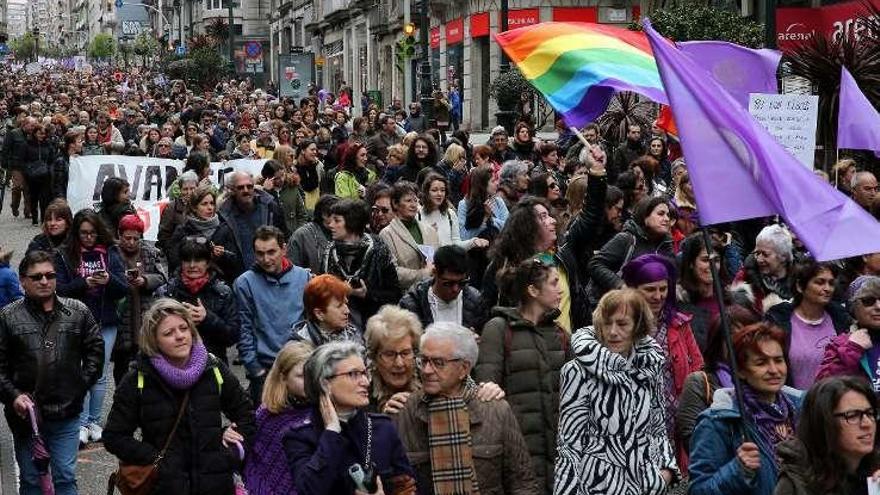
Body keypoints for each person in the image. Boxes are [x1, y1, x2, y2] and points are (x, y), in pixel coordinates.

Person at [103, 298, 256, 495]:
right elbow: (114, 436)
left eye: (184, 328)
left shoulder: (213, 368)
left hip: (215, 484)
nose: (180, 336)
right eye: (168, 333)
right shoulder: (138, 378)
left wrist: (231, 451)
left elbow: (247, 414)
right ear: (154, 340)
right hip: (166, 487)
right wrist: (155, 458)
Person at [554, 289, 678, 495]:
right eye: (606, 323)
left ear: (637, 327)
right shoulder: (577, 371)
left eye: (622, 324)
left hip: (646, 486)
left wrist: (664, 473)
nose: (612, 332)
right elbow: (569, 444)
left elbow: (658, 426)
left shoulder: (649, 366)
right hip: (598, 487)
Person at [0, 250, 103, 495]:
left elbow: (95, 352)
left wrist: (81, 385)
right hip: (26, 418)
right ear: (23, 280)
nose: (44, 281)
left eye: (49, 275)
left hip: (67, 412)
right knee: (31, 479)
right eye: (37, 277)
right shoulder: (7, 317)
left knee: (65, 476)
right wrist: (14, 396)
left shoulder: (78, 311)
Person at [395, 322, 539, 495]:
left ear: (463, 368)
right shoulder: (404, 412)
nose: (426, 370)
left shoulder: (496, 410)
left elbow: (522, 483)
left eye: (438, 363)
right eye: (423, 360)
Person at [475, 258, 571, 494]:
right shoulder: (498, 329)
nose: (559, 289)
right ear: (532, 290)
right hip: (517, 450)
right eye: (553, 283)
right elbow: (487, 391)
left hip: (558, 452)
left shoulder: (560, 334)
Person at [282, 341, 418, 495]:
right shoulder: (300, 437)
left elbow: (407, 487)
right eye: (353, 374)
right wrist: (332, 432)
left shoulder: (382, 427)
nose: (365, 382)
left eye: (364, 373)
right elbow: (309, 490)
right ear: (325, 383)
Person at [688, 322, 803, 495]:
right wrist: (737, 470)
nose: (774, 370)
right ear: (741, 371)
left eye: (778, 360)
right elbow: (699, 490)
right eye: (761, 362)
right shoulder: (718, 422)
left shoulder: (801, 410)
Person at [620, 253, 704, 469]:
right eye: (650, 289)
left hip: (680, 423)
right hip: (640, 427)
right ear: (633, 290)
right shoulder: (620, 329)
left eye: (663, 289)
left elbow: (698, 368)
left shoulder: (679, 324)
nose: (658, 296)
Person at [54, 209, 128, 445]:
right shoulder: (65, 255)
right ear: (76, 233)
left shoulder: (111, 252)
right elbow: (60, 290)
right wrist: (83, 283)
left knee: (100, 373)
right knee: (80, 371)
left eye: (93, 233)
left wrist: (108, 280)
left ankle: (94, 420)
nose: (88, 238)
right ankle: (81, 421)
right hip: (75, 321)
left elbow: (123, 288)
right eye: (84, 233)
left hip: (105, 320)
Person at [676, 305, 762, 462]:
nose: (742, 345)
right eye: (734, 338)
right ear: (718, 343)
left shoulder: (763, 378)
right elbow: (692, 441)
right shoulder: (700, 383)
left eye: (748, 337)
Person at [236, 226, 311, 404]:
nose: (266, 259)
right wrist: (254, 368)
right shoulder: (245, 283)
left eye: (271, 252)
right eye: (260, 253)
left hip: (299, 364)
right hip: (265, 368)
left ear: (283, 249)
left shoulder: (304, 278)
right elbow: (243, 327)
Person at [775, 376, 880, 495]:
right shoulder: (796, 483)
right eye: (852, 415)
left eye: (870, 413)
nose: (867, 423)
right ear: (824, 422)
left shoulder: (875, 473)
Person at [764, 260, 851, 389]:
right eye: (820, 282)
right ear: (800, 286)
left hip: (833, 402)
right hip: (794, 402)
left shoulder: (840, 319)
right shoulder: (778, 320)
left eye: (831, 283)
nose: (827, 288)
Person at [243, 341, 314, 495]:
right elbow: (257, 461)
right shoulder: (266, 415)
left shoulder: (324, 413)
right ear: (283, 378)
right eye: (301, 376)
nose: (309, 381)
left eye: (312, 374)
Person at [157, 237, 240, 364]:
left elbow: (232, 336)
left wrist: (208, 318)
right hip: (173, 366)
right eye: (187, 260)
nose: (192, 265)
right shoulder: (166, 292)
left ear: (207, 262)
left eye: (198, 260)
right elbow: (152, 335)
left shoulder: (223, 292)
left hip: (213, 366)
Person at [322, 199, 401, 327]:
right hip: (338, 326)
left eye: (337, 220)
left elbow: (394, 293)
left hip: (373, 324)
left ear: (351, 223)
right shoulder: (329, 252)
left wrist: (367, 294)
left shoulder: (378, 250)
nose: (330, 225)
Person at [113, 214, 168, 384]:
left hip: (145, 314)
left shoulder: (150, 253)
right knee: (121, 369)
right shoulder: (112, 254)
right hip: (122, 317)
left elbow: (161, 276)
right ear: (119, 235)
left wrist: (144, 280)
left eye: (135, 239)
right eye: (127, 238)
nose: (131, 242)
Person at [588, 196, 674, 301]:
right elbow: (595, 264)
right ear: (645, 216)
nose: (666, 219)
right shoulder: (626, 239)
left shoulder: (667, 245)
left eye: (668, 215)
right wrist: (621, 286)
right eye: (660, 214)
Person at [399, 245, 486, 331]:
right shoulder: (412, 304)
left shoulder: (475, 300)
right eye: (448, 283)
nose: (456, 289)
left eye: (462, 283)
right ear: (435, 273)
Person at [168, 185, 243, 285]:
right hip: (189, 286)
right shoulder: (183, 230)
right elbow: (174, 261)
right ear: (194, 207)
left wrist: (223, 254)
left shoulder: (224, 228)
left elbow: (236, 262)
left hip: (218, 285)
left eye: (212, 203)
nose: (209, 208)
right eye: (204, 204)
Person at [816, 276, 880, 388]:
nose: (878, 306)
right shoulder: (840, 345)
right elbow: (824, 388)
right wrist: (852, 350)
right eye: (868, 301)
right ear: (853, 307)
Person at [219, 172, 289, 270]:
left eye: (249, 186)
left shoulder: (270, 208)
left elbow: (284, 237)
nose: (246, 190)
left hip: (270, 270)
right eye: (240, 187)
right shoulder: (224, 215)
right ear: (232, 190)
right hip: (240, 275)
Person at [379, 181, 441, 291]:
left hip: (432, 292)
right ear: (395, 203)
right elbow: (392, 271)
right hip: (406, 295)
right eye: (408, 201)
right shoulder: (387, 234)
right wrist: (423, 273)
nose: (413, 205)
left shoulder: (430, 230)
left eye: (415, 201)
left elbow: (440, 258)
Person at [734, 224, 796, 314]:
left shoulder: (802, 278)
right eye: (757, 253)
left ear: (783, 256)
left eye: (765, 254)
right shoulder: (745, 277)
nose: (759, 259)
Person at [289, 274, 363, 347]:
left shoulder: (354, 336)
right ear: (319, 314)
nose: (347, 311)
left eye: (346, 303)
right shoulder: (300, 348)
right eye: (339, 306)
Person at [420, 172, 488, 250]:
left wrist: (473, 242)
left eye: (442, 190)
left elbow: (456, 243)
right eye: (434, 190)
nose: (439, 194)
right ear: (427, 192)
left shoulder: (450, 214)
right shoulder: (418, 215)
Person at [287, 194, 338, 273]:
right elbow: (292, 271)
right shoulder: (301, 236)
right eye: (337, 216)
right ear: (324, 215)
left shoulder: (344, 233)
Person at [457, 165, 508, 242]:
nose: (497, 183)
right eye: (493, 181)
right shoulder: (464, 205)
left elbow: (508, 227)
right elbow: (464, 237)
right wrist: (484, 219)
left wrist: (491, 219)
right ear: (482, 185)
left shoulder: (498, 201)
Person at [157, 170, 199, 253]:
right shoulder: (172, 208)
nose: (189, 192)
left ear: (197, 188)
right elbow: (163, 236)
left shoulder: (201, 205)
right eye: (185, 189)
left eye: (192, 188)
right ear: (180, 190)